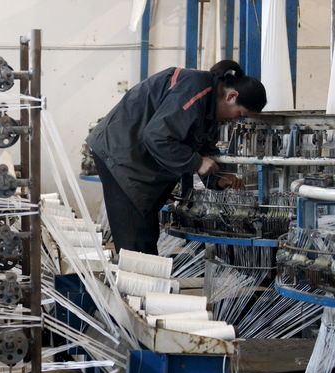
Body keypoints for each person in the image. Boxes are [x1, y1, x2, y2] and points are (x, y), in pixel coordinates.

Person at [86, 60, 267, 254]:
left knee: (145, 233)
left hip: (136, 157)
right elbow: (158, 137)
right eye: (239, 114)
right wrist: (197, 163)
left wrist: (217, 179)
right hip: (120, 153)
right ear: (232, 96)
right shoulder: (196, 88)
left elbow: (201, 146)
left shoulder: (212, 107)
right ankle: (133, 280)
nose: (236, 120)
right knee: (135, 237)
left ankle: (144, 277)